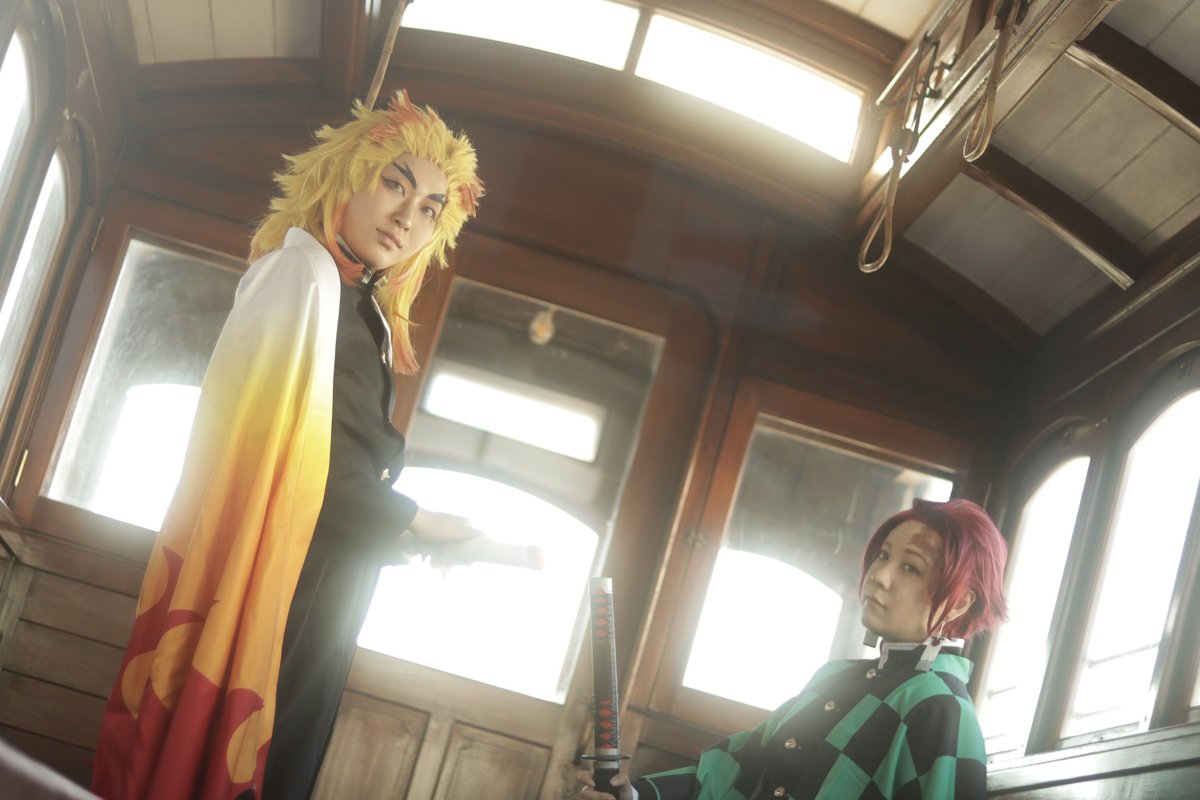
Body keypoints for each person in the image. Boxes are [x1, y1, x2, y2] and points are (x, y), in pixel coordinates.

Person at [91, 90, 484, 800]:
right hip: (284, 581)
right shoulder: (300, 278)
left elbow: (332, 457)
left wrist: (399, 533)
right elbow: (300, 460)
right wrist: (417, 519)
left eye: (431, 208)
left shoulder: (353, 302)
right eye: (395, 184)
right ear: (344, 177)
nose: (408, 217)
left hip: (324, 579)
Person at [579, 498, 1008, 800]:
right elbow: (736, 769)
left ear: (960, 602)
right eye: (883, 555)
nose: (879, 575)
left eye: (910, 567)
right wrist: (633, 795)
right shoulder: (834, 678)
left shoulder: (940, 708)